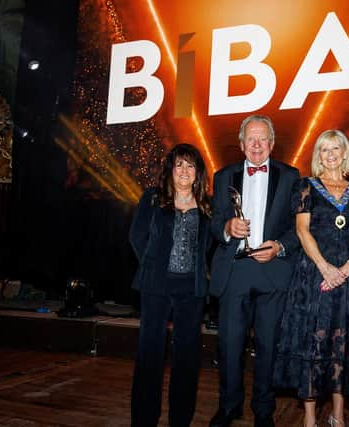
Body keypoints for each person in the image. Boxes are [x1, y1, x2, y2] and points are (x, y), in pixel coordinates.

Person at [273, 130, 349, 427]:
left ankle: (338, 417)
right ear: (318, 155)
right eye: (324, 149)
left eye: (335, 148)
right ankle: (310, 419)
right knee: (313, 344)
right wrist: (326, 268)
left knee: (345, 345)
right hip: (314, 277)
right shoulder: (306, 187)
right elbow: (302, 231)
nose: (330, 154)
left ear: (344, 153)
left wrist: (347, 269)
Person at [209, 115, 300, 427]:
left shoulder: (291, 176)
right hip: (235, 271)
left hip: (273, 271)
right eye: (251, 139)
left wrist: (279, 247)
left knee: (268, 346)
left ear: (272, 144)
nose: (257, 145)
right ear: (241, 144)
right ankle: (230, 406)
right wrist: (226, 227)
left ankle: (264, 411)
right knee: (229, 345)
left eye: (263, 139)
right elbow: (214, 222)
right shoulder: (223, 176)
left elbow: (298, 228)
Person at [129, 143, 212, 427]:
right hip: (156, 288)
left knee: (187, 361)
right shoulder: (152, 198)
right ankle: (143, 420)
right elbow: (137, 236)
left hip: (191, 292)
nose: (185, 171)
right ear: (170, 170)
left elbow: (210, 246)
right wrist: (153, 266)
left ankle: (180, 420)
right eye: (179, 165)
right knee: (149, 356)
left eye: (190, 166)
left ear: (198, 172)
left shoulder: (207, 205)